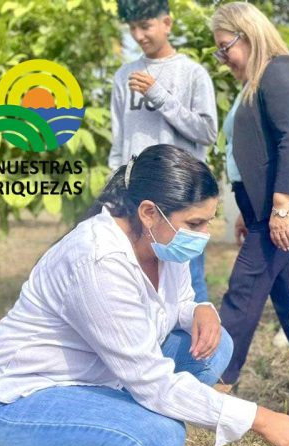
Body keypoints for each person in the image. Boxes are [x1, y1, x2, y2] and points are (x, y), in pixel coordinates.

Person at [0, 145, 289, 446]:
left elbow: (180, 302)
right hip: (19, 398)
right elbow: (152, 381)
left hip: (101, 375)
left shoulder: (164, 244)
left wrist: (200, 309)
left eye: (208, 223)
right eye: (196, 223)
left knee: (216, 348)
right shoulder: (98, 260)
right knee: (157, 435)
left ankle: (111, 416)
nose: (204, 235)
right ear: (148, 213)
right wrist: (259, 418)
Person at [210, 2, 289, 391]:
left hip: (288, 200)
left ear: (249, 34)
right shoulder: (254, 81)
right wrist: (250, 209)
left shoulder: (280, 71)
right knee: (288, 288)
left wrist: (281, 207)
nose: (222, 57)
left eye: (225, 47)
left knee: (246, 285)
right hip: (263, 203)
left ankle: (216, 376)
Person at [109, 0, 218, 304]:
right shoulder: (123, 76)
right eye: (133, 28)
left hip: (181, 196)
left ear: (167, 23)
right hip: (135, 194)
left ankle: (194, 348)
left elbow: (207, 132)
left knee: (187, 278)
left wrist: (159, 95)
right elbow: (119, 140)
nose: (139, 35)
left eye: (145, 26)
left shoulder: (193, 74)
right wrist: (114, 188)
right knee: (135, 275)